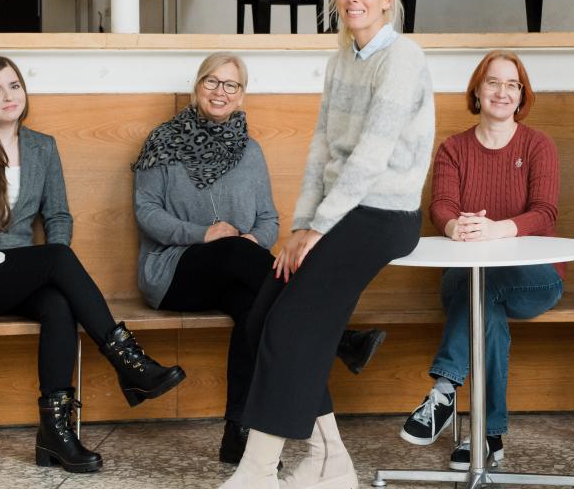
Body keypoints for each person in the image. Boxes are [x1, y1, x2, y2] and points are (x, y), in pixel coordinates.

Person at [186, 0, 435, 489]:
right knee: (263, 314)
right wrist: (301, 226)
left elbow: (372, 157)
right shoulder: (340, 59)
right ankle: (328, 458)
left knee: (295, 324)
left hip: (383, 212)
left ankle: (254, 478)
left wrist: (316, 229)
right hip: (338, 211)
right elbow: (322, 149)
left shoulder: (404, 56)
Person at [134, 52, 387, 465]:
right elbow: (146, 213)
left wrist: (254, 238)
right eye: (212, 82)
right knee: (235, 251)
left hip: (236, 274)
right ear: (197, 87)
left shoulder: (249, 151)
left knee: (255, 308)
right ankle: (339, 337)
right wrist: (204, 234)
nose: (220, 92)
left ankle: (237, 433)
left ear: (241, 95)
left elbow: (269, 218)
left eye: (230, 85)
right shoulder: (162, 142)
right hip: (174, 270)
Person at [0, 55, 186, 473]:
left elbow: (59, 217)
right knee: (54, 258)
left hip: (17, 274)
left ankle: (55, 434)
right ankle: (129, 362)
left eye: (14, 86)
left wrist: (44, 265)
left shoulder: (42, 147)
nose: (8, 96)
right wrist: (31, 259)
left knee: (58, 303)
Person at [399, 50, 564, 469]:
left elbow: (545, 212)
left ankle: (444, 390)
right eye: (493, 82)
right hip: (470, 278)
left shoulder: (538, 145)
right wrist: (456, 228)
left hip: (536, 279)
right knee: (479, 296)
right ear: (477, 89)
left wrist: (494, 229)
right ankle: (487, 436)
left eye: (512, 84)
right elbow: (442, 207)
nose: (502, 92)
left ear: (522, 95)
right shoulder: (454, 149)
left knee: (479, 287)